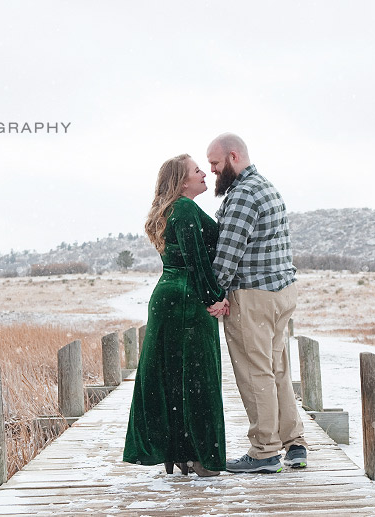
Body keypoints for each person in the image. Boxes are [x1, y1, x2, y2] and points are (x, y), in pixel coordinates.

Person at [206, 133, 308, 473]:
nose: (212, 171)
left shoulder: (243, 196)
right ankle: (294, 443)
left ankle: (264, 452)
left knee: (255, 373)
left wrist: (216, 295)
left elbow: (227, 256)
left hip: (252, 296)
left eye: (215, 164)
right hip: (282, 291)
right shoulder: (266, 186)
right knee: (278, 368)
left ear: (233, 157)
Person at [123, 153, 228, 477]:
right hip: (186, 298)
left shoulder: (174, 209)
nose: (203, 174)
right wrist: (216, 298)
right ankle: (199, 457)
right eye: (197, 171)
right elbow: (197, 260)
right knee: (199, 378)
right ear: (182, 181)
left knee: (171, 376)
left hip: (170, 295)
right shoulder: (183, 209)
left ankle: (179, 452)